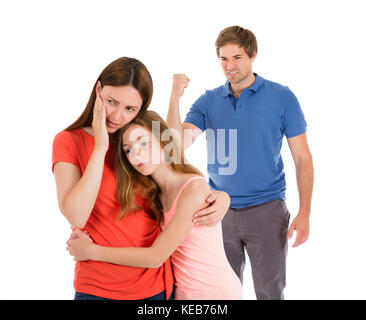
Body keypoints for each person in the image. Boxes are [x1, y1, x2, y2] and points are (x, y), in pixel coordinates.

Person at [52, 57, 230, 300]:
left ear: (140, 109)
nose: (116, 116)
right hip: (96, 285)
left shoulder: (135, 140)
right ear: (98, 90)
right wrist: (100, 146)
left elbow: (175, 159)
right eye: (111, 102)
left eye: (130, 109)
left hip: (153, 285)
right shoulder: (69, 141)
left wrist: (222, 196)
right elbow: (77, 215)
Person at [166, 26, 314, 300]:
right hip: (218, 212)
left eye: (237, 57)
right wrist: (174, 97)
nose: (229, 66)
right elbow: (174, 148)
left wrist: (304, 211)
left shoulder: (282, 97)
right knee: (221, 293)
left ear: (253, 55)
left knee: (269, 292)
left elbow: (303, 158)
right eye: (223, 59)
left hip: (267, 211)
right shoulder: (208, 101)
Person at [66, 110, 242, 300]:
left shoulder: (193, 190)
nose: (137, 154)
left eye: (143, 142)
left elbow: (156, 256)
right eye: (128, 149)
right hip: (182, 294)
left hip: (215, 293)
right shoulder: (153, 194)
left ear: (163, 141)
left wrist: (92, 251)